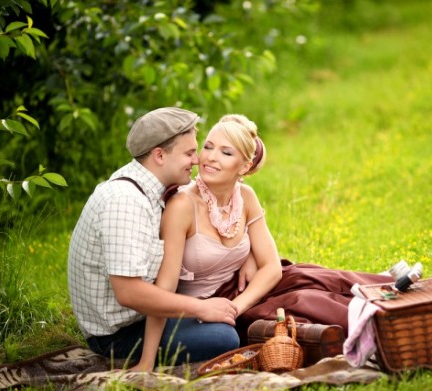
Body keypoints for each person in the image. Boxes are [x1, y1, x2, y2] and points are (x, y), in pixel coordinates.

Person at [133, 113, 393, 371]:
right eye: (208, 147)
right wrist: (146, 360)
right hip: (208, 306)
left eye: (226, 152)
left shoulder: (245, 196)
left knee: (313, 277)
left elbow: (271, 267)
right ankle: (379, 326)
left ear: (244, 167)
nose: (210, 157)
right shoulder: (182, 205)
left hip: (242, 296)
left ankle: (393, 297)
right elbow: (164, 289)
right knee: (301, 302)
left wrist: (239, 302)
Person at [67, 107, 240, 367]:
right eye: (189, 153)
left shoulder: (149, 188)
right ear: (159, 155)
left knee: (231, 312)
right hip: (117, 335)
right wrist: (201, 309)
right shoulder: (125, 201)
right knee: (224, 337)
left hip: (143, 315)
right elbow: (129, 294)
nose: (196, 160)